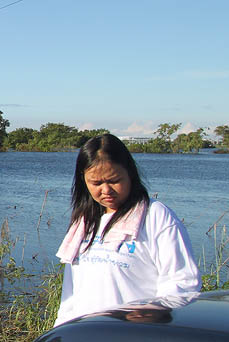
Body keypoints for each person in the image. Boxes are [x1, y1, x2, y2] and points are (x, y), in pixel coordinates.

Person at [54, 133, 200, 326]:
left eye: (114, 180)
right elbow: (71, 294)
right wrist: (59, 331)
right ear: (84, 180)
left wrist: (151, 313)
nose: (106, 190)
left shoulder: (156, 216)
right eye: (96, 183)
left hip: (133, 338)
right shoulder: (83, 222)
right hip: (85, 335)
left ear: (130, 174)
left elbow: (183, 283)